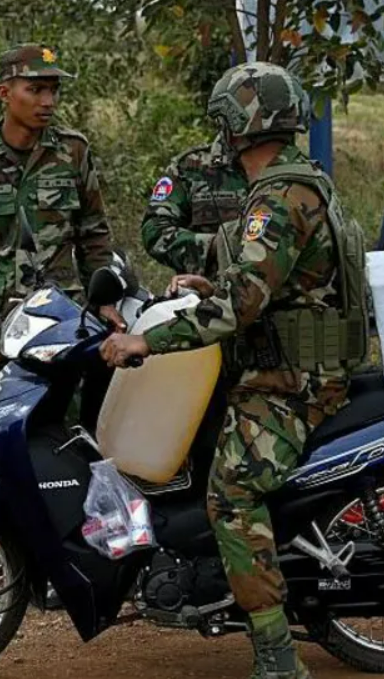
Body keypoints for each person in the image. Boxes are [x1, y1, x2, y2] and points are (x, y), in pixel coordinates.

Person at [101, 62, 368, 679]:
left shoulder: (277, 195)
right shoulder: (294, 183)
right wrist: (212, 278)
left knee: (232, 493)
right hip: (292, 363)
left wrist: (148, 341)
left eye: (223, 121)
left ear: (237, 126)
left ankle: (277, 657)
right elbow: (269, 280)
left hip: (293, 380)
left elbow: (244, 304)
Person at [0, 43, 122, 427]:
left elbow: (93, 235)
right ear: (5, 93)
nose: (47, 101)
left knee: (64, 434)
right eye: (35, 90)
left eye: (53, 90)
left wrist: (104, 301)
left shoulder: (73, 153)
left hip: (59, 324)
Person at [141, 134, 249, 276]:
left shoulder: (284, 161)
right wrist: (215, 245)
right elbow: (155, 229)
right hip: (209, 291)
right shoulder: (191, 166)